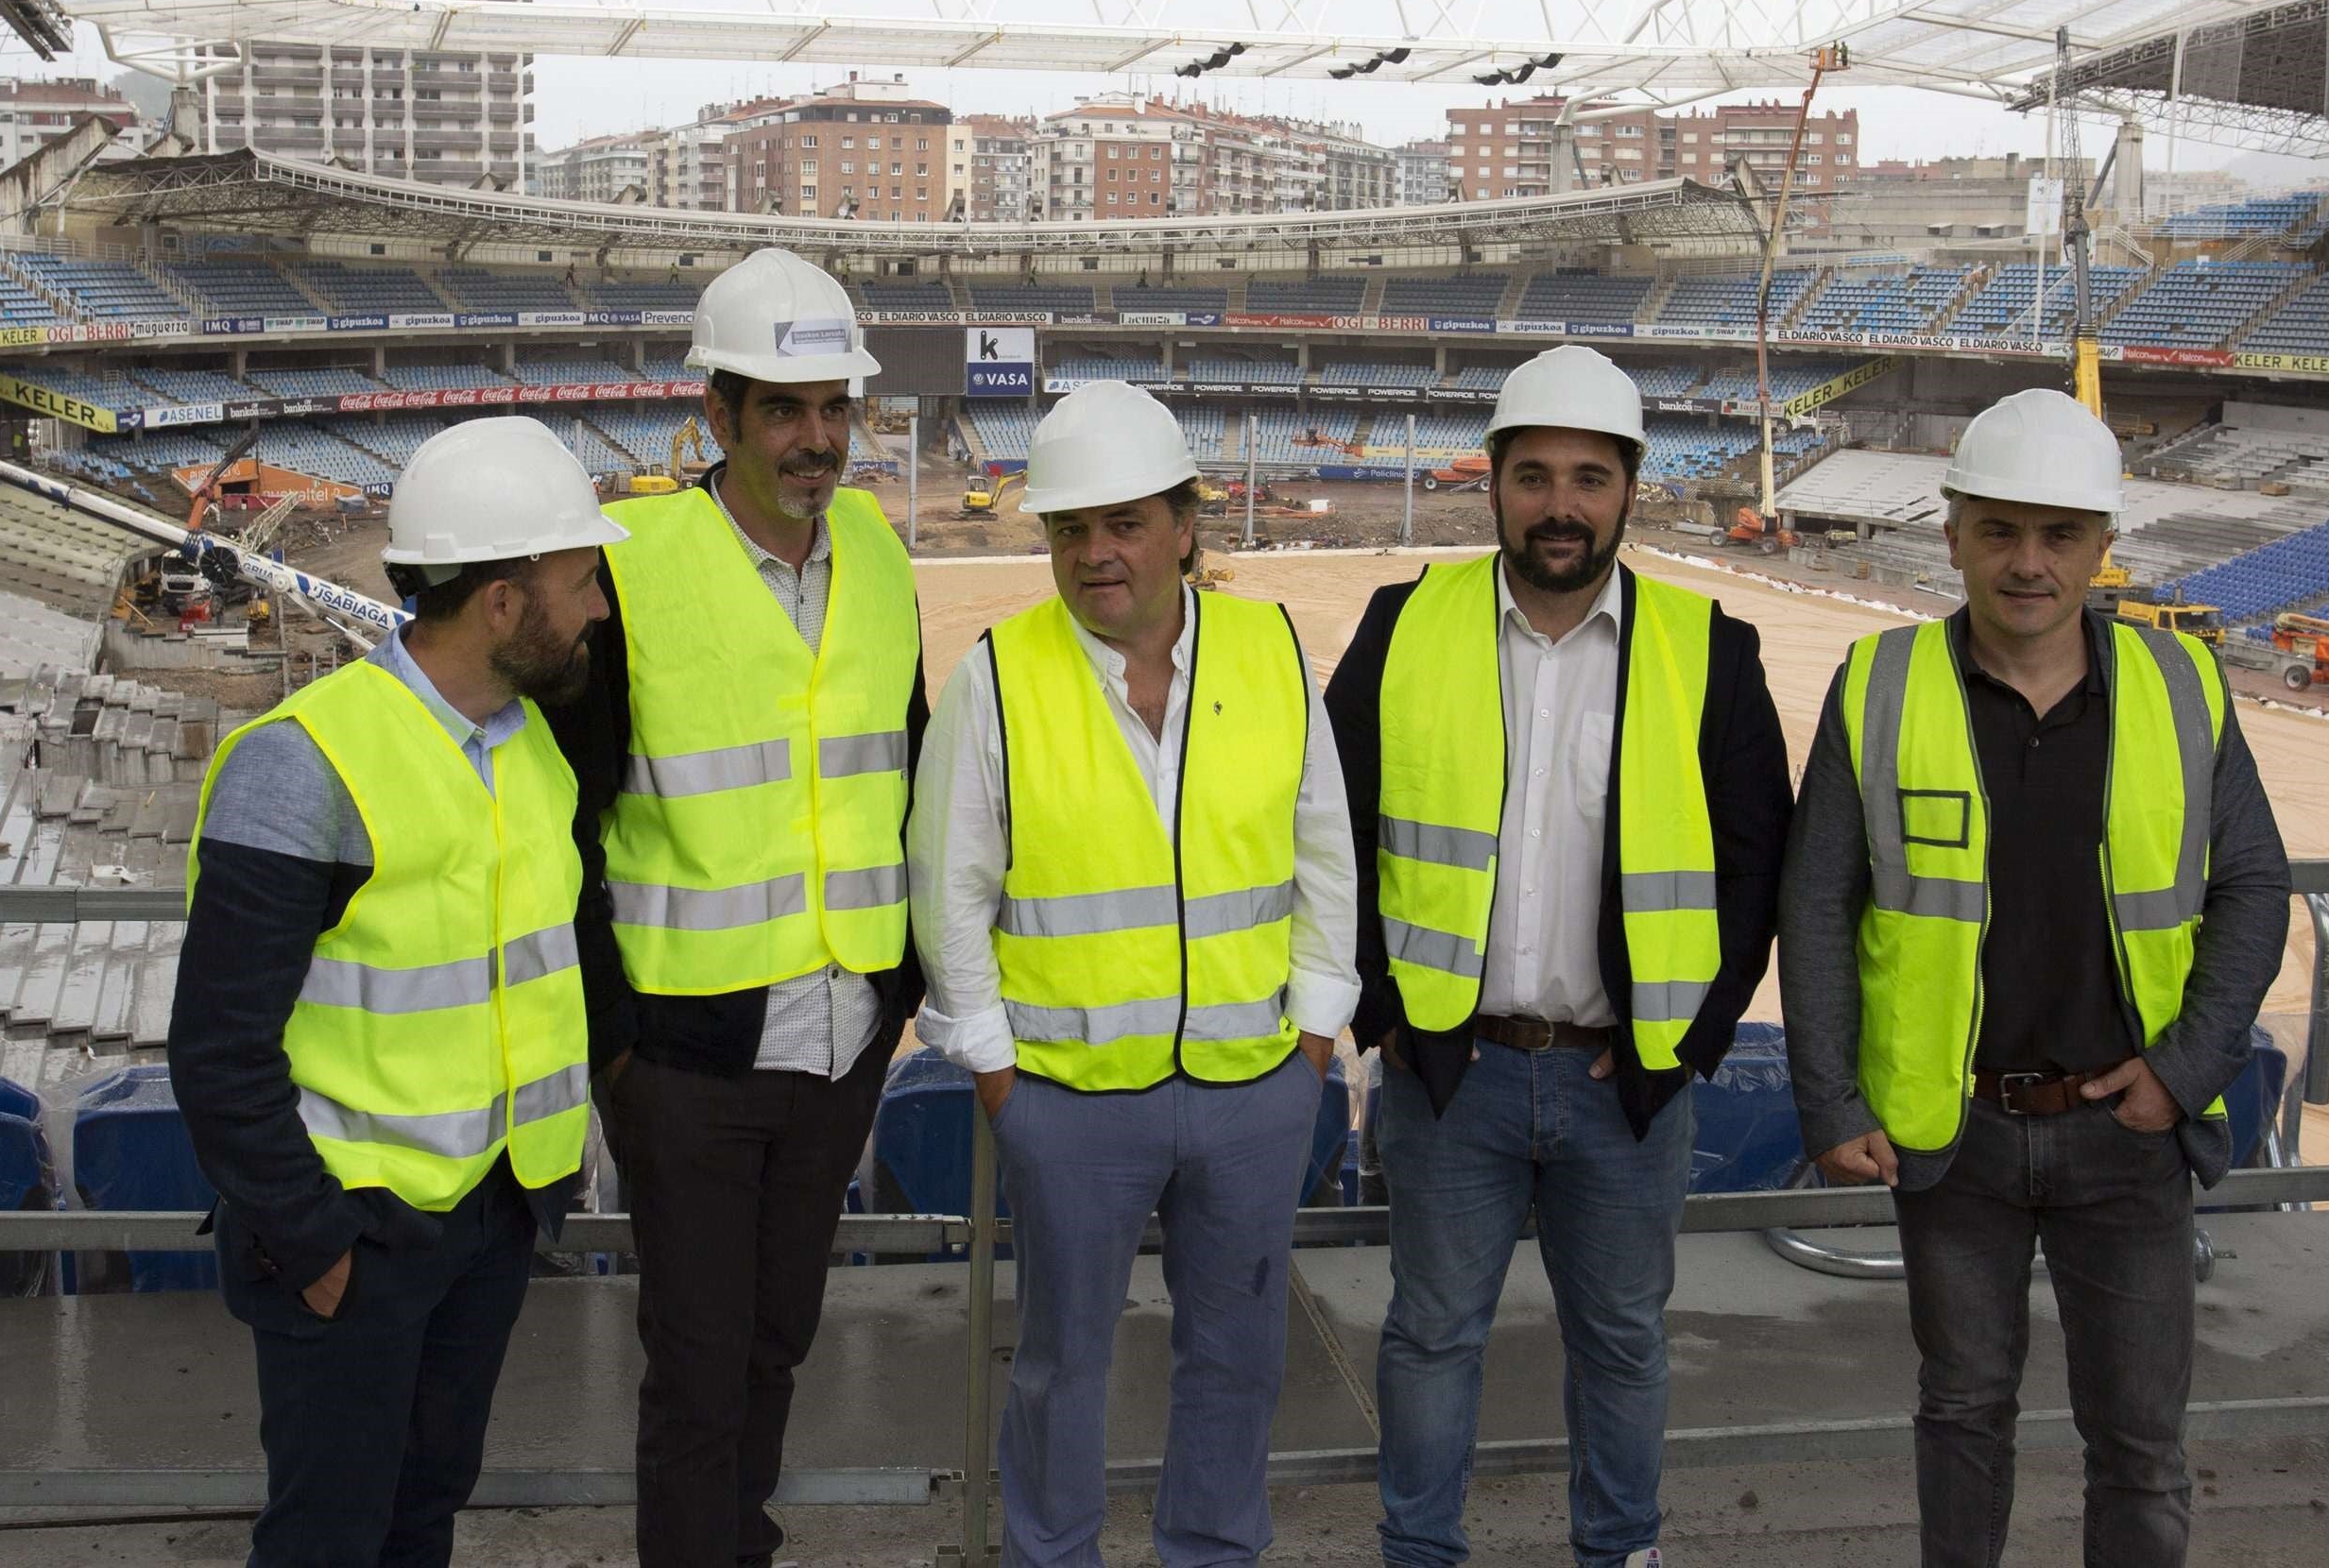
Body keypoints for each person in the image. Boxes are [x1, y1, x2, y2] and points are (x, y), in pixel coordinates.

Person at [1778, 388, 2290, 1568]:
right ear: (1951, 532)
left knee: (2142, 1446)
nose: (2027, 562)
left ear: (2103, 543)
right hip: (1951, 1135)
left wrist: (2181, 1070)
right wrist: (1831, 1099)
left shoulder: (2182, 684)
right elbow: (1816, 902)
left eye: (2059, 534)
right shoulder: (1878, 683)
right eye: (1999, 530)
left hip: (2128, 1132)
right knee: (1962, 1412)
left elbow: (2253, 885)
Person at [1326, 344, 1791, 1568]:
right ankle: (1418, 1552)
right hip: (1450, 1073)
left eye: (1589, 477)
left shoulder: (1710, 649)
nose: (1559, 505)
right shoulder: (1403, 626)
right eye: (1533, 475)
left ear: (1630, 486)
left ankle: (1620, 1551)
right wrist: (1382, 1012)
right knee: (1430, 1335)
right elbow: (1333, 828)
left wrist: (1685, 1040)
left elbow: (1755, 867)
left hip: (1622, 1085)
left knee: (1624, 1341)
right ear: (1492, 480)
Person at [910, 381, 1358, 1568]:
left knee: (1239, 1351)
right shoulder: (998, 676)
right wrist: (996, 1071)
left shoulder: (1270, 650)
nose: (1096, 552)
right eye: (1071, 528)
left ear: (1183, 524)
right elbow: (949, 888)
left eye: (1123, 522)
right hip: (1066, 1098)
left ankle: (1209, 1548)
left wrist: (1313, 1039)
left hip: (1253, 1084)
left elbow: (1324, 852)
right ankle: (1051, 1551)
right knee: (1062, 1361)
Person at [168, 415, 621, 1568]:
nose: (599, 609)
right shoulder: (303, 762)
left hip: (489, 1217)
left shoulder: (529, 745)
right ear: (503, 602)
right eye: (582, 581)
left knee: (422, 1518)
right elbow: (218, 1048)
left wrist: (529, 1196)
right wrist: (313, 1239)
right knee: (327, 1537)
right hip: (354, 1235)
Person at [547, 248, 927, 1568]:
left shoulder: (877, 551)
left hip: (840, 1039)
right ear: (717, 413)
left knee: (776, 1338)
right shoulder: (631, 568)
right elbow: (561, 821)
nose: (815, 438)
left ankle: (735, 1544)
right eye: (782, 409)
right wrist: (615, 1040)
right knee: (700, 1364)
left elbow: (901, 766)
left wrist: (896, 987)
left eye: (832, 407)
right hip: (687, 1059)